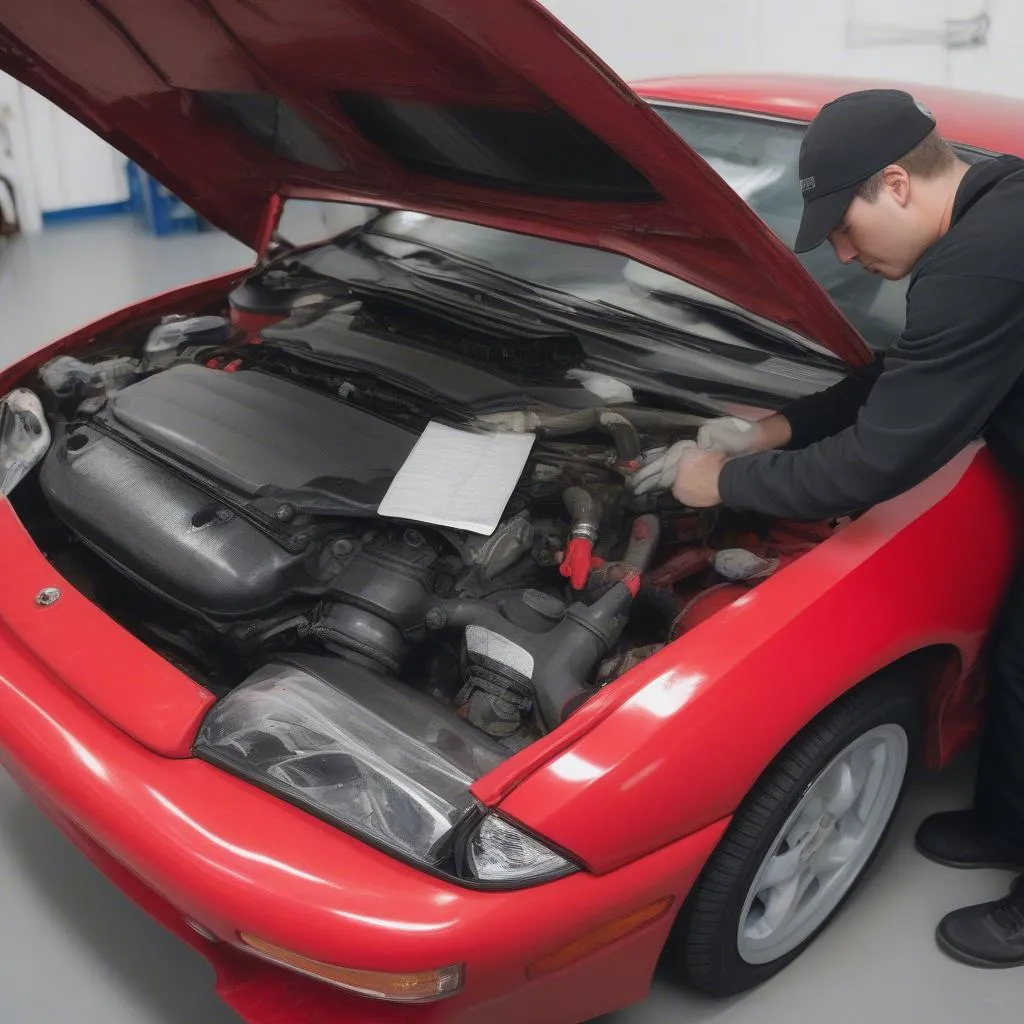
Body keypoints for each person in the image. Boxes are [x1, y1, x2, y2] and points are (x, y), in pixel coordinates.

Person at [629, 88, 1024, 967]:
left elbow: (878, 463)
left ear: (894, 184)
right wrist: (772, 429)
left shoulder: (982, 262)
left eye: (843, 227)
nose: (842, 252)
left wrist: (720, 477)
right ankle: (1009, 828)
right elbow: (907, 372)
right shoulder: (996, 196)